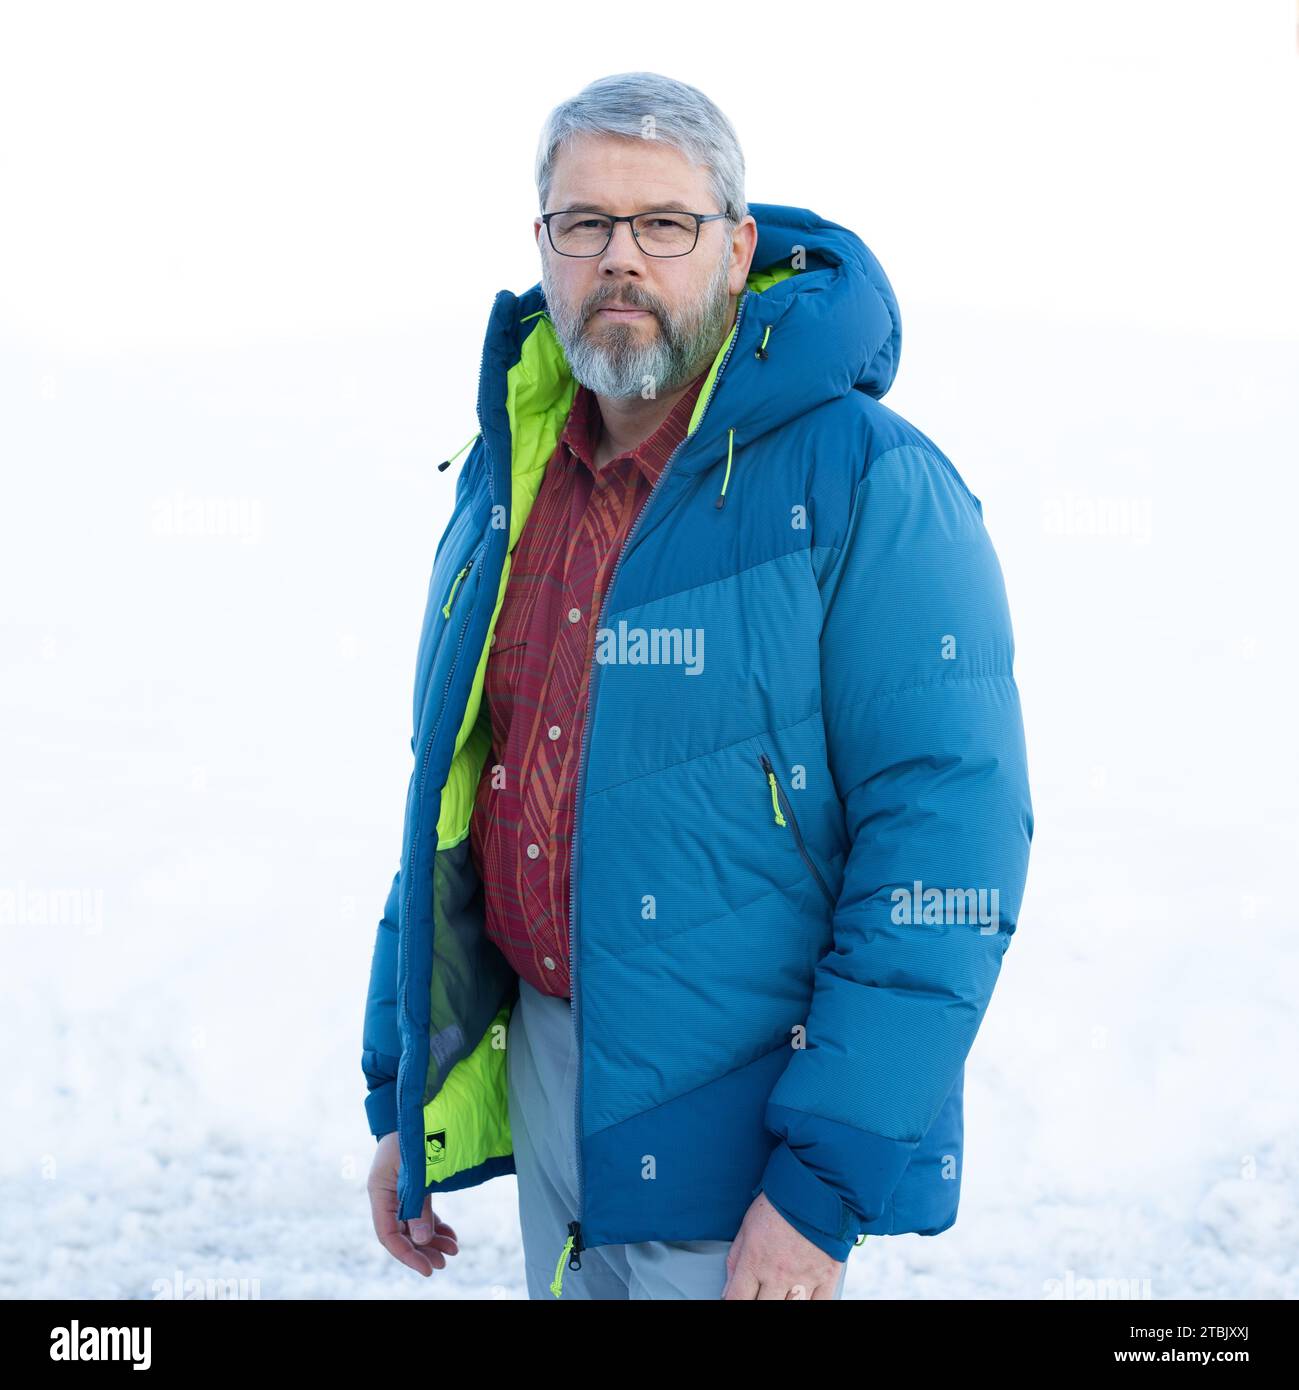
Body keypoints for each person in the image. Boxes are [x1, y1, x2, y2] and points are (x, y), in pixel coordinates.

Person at [363, 70, 1033, 1300]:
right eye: (586, 224)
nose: (622, 258)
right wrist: (409, 1079)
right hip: (553, 1067)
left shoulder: (868, 482)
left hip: (743, 1121)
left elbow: (948, 849)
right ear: (545, 247)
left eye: (663, 224)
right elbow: (454, 791)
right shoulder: (506, 482)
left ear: (735, 251)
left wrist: (822, 1180)